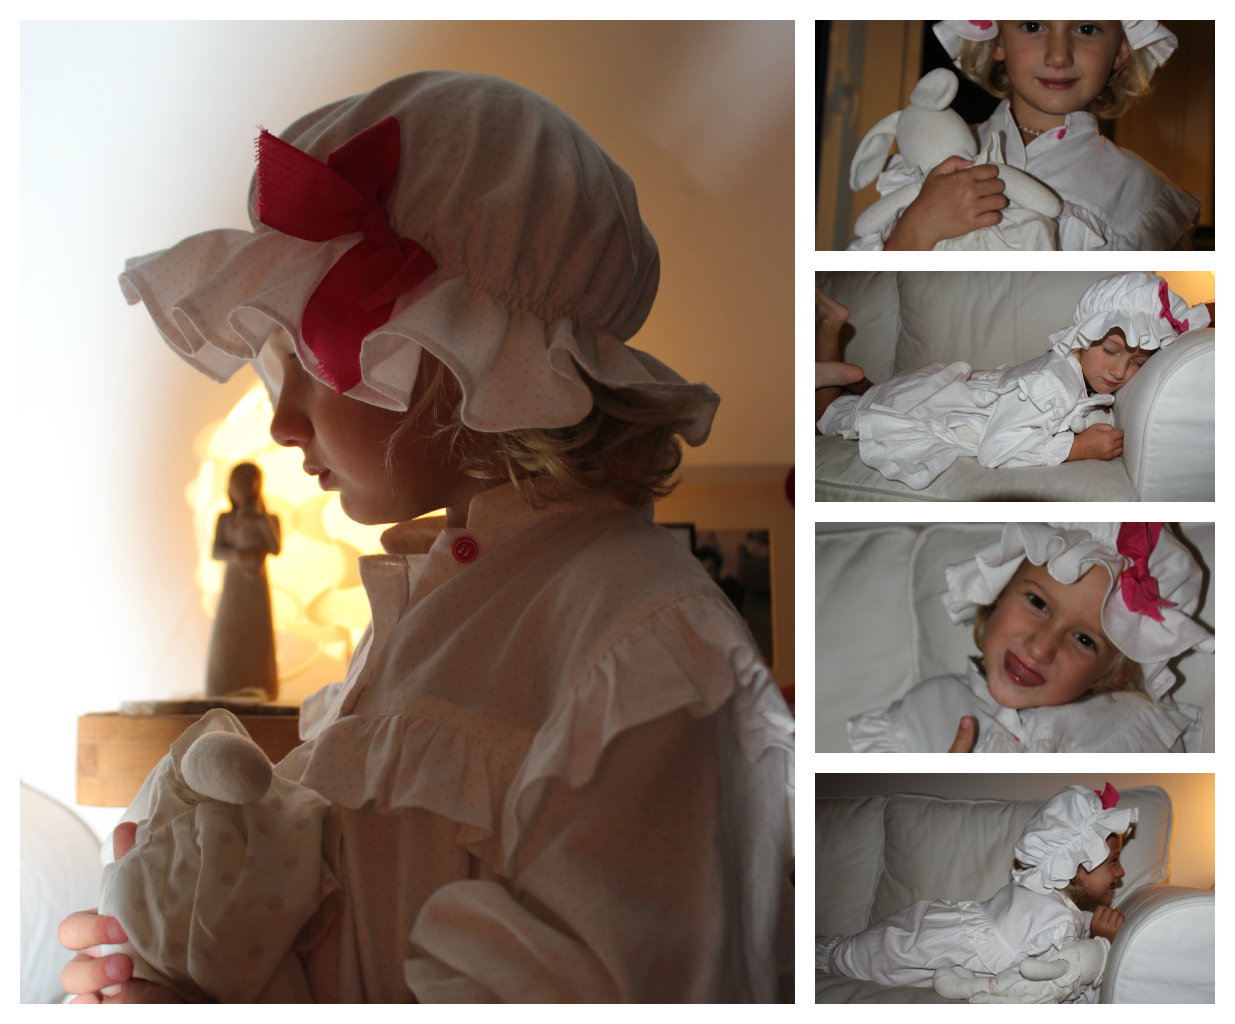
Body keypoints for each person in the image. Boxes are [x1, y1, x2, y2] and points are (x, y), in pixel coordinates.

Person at [57, 70, 794, 1003]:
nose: (281, 422)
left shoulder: (641, 646)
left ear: (461, 356)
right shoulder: (433, 613)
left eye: (313, 358)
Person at [815, 273, 1209, 490]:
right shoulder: (1055, 384)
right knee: (822, 417)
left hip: (939, 389)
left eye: (1137, 362)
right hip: (933, 404)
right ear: (1082, 336)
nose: (1120, 372)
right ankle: (831, 334)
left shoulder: (1071, 370)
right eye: (1110, 350)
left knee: (871, 397)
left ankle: (857, 380)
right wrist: (1075, 448)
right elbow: (994, 450)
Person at [844, 522, 1213, 753]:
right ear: (999, 592)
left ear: (1113, 673)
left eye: (1084, 640)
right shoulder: (927, 708)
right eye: (1037, 603)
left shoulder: (1130, 732)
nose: (1039, 648)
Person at [850, 20, 1200, 251]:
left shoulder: (1141, 196)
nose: (1059, 56)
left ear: (1121, 49)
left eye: (1086, 28)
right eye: (1033, 25)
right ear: (997, 39)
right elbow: (866, 290)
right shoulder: (931, 157)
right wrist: (919, 226)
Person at [817, 784, 1135, 1003]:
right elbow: (1059, 985)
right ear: (1075, 866)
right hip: (923, 943)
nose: (1120, 872)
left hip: (932, 927)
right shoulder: (1054, 919)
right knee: (853, 958)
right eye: (1113, 861)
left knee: (850, 951)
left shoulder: (1048, 900)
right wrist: (1101, 941)